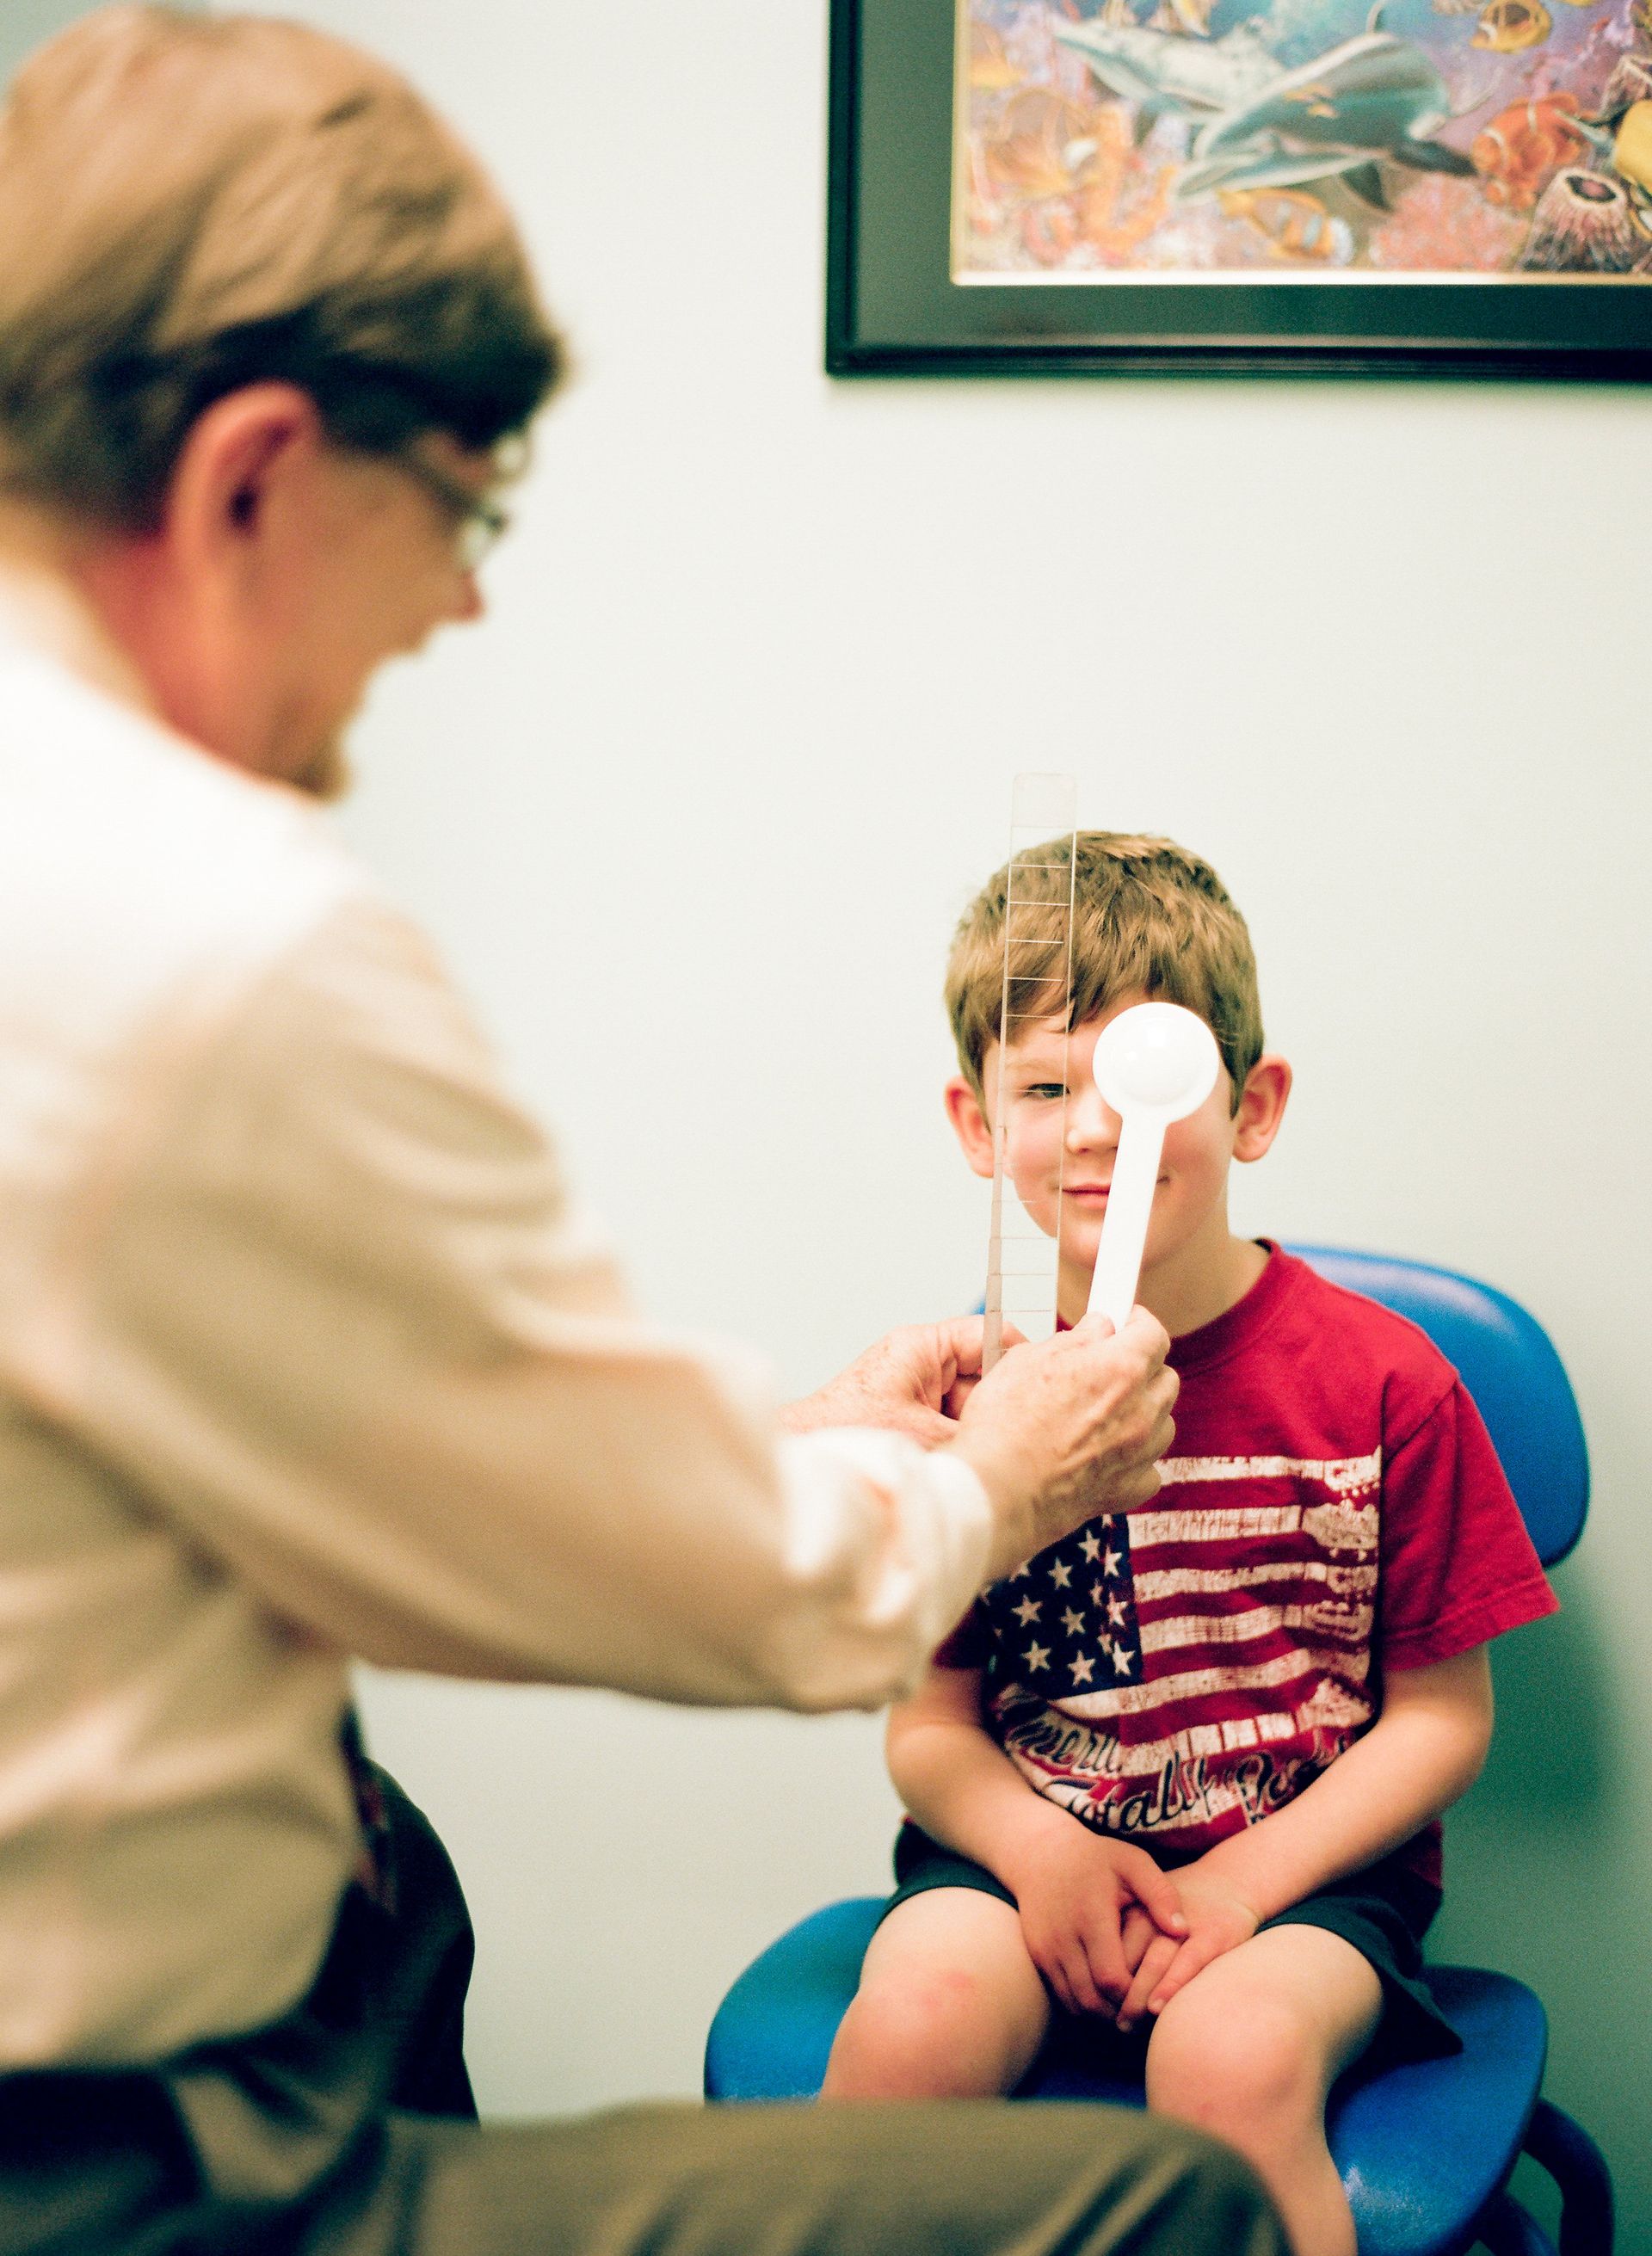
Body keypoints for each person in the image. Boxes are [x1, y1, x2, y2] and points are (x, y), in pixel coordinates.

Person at [0, 13, 1294, 2256]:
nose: (472, 596)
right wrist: (986, 1476)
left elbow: (294, 1453)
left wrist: (806, 1445)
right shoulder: (216, 931)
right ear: (257, 477)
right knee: (1146, 2199)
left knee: (384, 1871)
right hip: (105, 2153)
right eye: (467, 506)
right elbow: (762, 1603)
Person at [822, 833, 1560, 2256]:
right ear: (980, 1128)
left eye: (1136, 1076)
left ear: (1255, 1101)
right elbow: (929, 1732)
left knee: (1225, 2062)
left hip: (1301, 1884)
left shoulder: (1387, 1383)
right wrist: (1040, 1854)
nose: (1094, 1128)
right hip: (1018, 1858)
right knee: (911, 2022)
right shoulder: (976, 1412)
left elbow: (1442, 1721)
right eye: (1043, 1087)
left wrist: (1235, 1885)